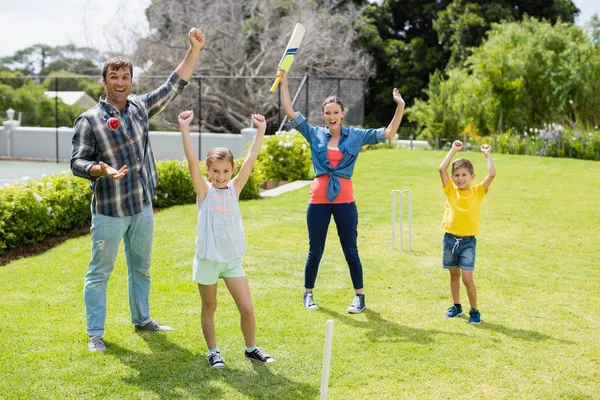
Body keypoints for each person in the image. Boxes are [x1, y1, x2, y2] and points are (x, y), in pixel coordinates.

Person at [71, 28, 206, 352]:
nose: (120, 82)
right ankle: (95, 335)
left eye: (125, 76)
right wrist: (99, 169)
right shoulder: (89, 120)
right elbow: (77, 161)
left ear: (131, 80)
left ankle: (142, 319)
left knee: (141, 268)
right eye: (114, 76)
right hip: (110, 211)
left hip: (142, 206)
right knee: (100, 272)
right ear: (104, 81)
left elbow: (173, 85)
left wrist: (194, 50)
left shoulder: (140, 107)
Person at [277, 69, 405, 314]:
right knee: (315, 250)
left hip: (345, 202)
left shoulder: (355, 136)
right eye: (327, 113)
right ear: (324, 115)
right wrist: (284, 82)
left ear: (343, 113)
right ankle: (308, 294)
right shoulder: (314, 133)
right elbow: (290, 112)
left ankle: (359, 297)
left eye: (336, 112)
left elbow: (389, 133)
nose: (331, 116)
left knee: (351, 250)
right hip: (318, 201)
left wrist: (399, 106)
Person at [178, 109, 275, 368]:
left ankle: (251, 349)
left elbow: (251, 159)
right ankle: (213, 352)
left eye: (226, 171)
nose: (221, 177)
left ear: (232, 169)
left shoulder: (234, 189)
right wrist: (185, 129)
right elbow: (190, 160)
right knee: (210, 307)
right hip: (208, 260)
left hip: (231, 260)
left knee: (247, 308)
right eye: (216, 171)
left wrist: (260, 131)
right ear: (208, 170)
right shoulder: (204, 191)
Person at [438, 140, 496, 324]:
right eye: (456, 175)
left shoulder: (478, 191)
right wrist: (453, 150)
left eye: (464, 175)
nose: (460, 178)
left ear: (472, 176)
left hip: (468, 242)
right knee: (454, 275)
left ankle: (474, 310)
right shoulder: (451, 191)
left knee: (467, 278)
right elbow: (441, 169)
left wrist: (487, 154)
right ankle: (456, 306)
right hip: (449, 239)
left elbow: (492, 174)